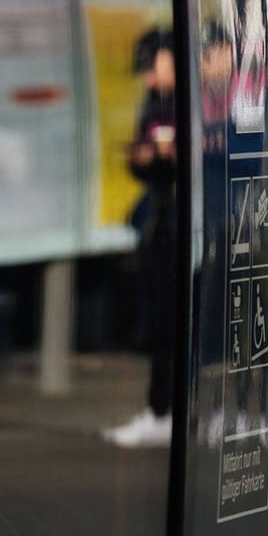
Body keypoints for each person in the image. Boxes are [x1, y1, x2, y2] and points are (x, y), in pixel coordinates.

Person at [105, 27, 179, 448]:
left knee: (176, 322)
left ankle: (171, 410)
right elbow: (140, 157)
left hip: (190, 223)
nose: (149, 80)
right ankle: (160, 410)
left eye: (152, 68)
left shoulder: (197, 97)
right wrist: (143, 157)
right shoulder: (153, 102)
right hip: (161, 221)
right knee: (159, 321)